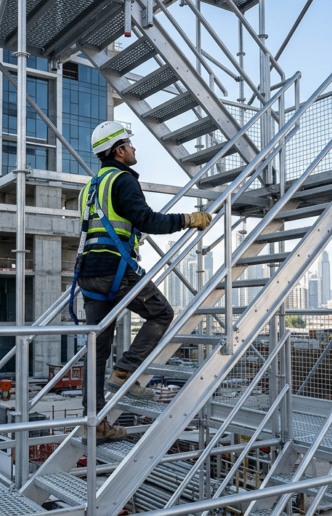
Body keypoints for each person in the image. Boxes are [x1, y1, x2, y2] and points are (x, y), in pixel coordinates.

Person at [71, 121, 211, 440]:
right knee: (161, 313)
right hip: (113, 271)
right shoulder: (123, 180)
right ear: (119, 150)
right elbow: (146, 220)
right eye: (130, 145)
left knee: (97, 349)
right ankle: (126, 370)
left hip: (89, 275)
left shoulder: (93, 185)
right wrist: (188, 220)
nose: (134, 149)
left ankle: (94, 426)